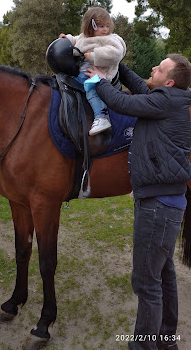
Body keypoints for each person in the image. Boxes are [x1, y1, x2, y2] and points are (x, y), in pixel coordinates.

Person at [85, 54, 191, 350]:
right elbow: (138, 86)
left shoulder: (165, 102)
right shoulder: (170, 98)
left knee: (146, 282)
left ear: (168, 82)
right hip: (167, 205)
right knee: (164, 272)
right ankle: (166, 339)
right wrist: (119, 63)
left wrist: (99, 78)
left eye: (159, 68)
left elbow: (122, 103)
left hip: (157, 207)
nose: (154, 67)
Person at [59, 7, 126, 135]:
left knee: (91, 90)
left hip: (100, 73)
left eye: (107, 26)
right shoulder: (85, 37)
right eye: (101, 26)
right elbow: (76, 39)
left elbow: (115, 53)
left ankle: (101, 117)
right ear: (90, 27)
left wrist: (95, 56)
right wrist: (67, 39)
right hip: (84, 71)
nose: (105, 29)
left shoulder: (111, 39)